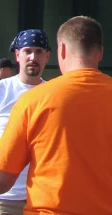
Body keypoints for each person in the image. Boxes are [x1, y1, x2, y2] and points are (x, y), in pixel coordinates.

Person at [0, 16, 112, 215]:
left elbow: (4, 178)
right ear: (100, 53)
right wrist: (111, 186)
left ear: (61, 50)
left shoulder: (33, 100)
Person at [0, 30, 51, 215]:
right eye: (27, 51)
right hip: (5, 199)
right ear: (17, 55)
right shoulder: (2, 90)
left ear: (47, 56)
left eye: (39, 52)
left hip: (42, 197)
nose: (32, 57)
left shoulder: (54, 94)